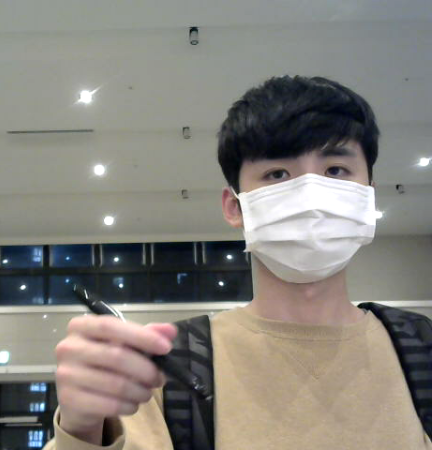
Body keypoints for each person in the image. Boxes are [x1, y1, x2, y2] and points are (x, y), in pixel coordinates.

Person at [42, 75, 432, 449]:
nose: (311, 196)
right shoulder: (168, 369)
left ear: (368, 196)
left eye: (335, 171)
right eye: (277, 174)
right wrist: (82, 429)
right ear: (234, 207)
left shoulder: (421, 350)